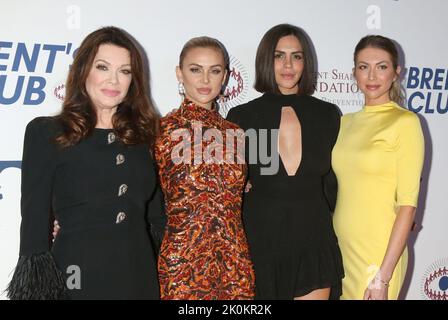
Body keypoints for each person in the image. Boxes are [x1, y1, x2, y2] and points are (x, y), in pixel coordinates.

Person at [7, 26, 164, 299]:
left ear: (134, 80)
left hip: (139, 274)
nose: (113, 80)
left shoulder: (144, 136)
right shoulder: (48, 132)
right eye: (103, 67)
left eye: (125, 71)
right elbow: (33, 220)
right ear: (83, 72)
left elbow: (156, 216)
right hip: (75, 273)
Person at [226, 24, 344, 300]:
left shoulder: (328, 115)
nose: (288, 65)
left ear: (306, 62)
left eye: (297, 56)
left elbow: (339, 179)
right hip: (260, 241)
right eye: (279, 56)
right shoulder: (242, 116)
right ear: (266, 60)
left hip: (313, 239)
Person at [154, 36, 255, 300]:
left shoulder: (237, 134)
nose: (205, 80)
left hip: (235, 266)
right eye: (195, 69)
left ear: (225, 77)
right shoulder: (160, 131)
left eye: (215, 70)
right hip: (181, 266)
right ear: (180, 73)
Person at [332, 35, 424, 300]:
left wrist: (383, 278)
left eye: (382, 66)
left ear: (396, 73)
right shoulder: (344, 122)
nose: (372, 75)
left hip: (379, 254)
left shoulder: (405, 123)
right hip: (340, 249)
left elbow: (407, 205)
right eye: (363, 66)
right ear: (354, 72)